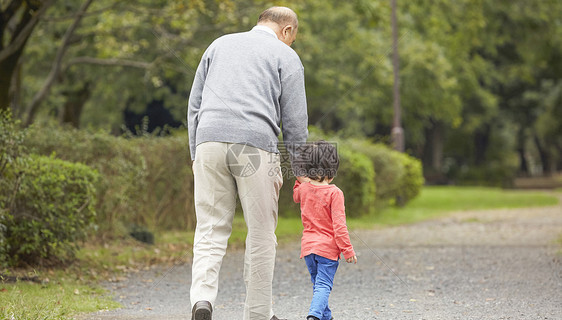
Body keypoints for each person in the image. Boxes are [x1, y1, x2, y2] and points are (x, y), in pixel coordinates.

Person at [187, 6, 308, 320]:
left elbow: (195, 104)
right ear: (288, 31)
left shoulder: (219, 44)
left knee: (210, 227)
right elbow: (295, 122)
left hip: (208, 141)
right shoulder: (286, 55)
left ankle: (202, 301)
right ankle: (258, 314)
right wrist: (302, 171)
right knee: (261, 231)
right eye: (293, 37)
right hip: (257, 146)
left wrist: (195, 153)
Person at [292, 141, 358, 320]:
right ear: (332, 171)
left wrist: (301, 179)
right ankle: (313, 316)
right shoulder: (334, 193)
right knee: (323, 286)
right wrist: (347, 250)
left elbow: (296, 195)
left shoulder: (303, 189)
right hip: (327, 250)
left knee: (318, 285)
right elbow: (339, 225)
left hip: (308, 249)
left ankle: (326, 317)